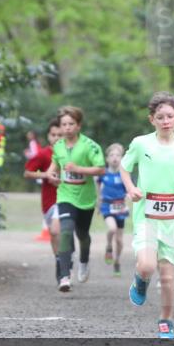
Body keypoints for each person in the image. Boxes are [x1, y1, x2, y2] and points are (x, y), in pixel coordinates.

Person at [121, 91, 174, 340]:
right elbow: (125, 169)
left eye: (170, 116)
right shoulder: (141, 143)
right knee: (147, 265)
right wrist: (131, 189)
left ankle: (166, 321)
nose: (166, 121)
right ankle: (141, 280)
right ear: (152, 120)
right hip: (146, 216)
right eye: (160, 117)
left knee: (167, 276)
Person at [46, 106, 105, 292]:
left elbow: (100, 169)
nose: (67, 128)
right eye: (64, 124)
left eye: (71, 124)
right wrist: (51, 175)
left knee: (82, 235)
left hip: (86, 199)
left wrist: (79, 169)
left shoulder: (90, 146)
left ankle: (84, 260)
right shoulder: (58, 146)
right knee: (65, 231)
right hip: (65, 195)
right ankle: (64, 276)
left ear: (78, 126)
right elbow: (54, 166)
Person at [24, 118, 63, 275]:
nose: (56, 138)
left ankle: (65, 261)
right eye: (53, 135)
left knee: (58, 230)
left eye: (59, 135)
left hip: (68, 199)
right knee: (54, 233)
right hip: (49, 201)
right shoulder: (43, 154)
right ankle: (60, 259)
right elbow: (26, 173)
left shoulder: (72, 153)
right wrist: (46, 174)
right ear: (48, 136)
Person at [97, 143, 129, 276]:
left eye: (118, 155)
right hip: (107, 206)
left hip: (120, 207)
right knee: (112, 229)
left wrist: (128, 197)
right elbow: (97, 186)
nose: (115, 158)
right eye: (112, 155)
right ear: (107, 158)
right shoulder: (103, 173)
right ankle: (109, 246)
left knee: (120, 240)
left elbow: (129, 190)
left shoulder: (124, 174)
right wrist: (98, 201)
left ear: (122, 158)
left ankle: (117, 261)